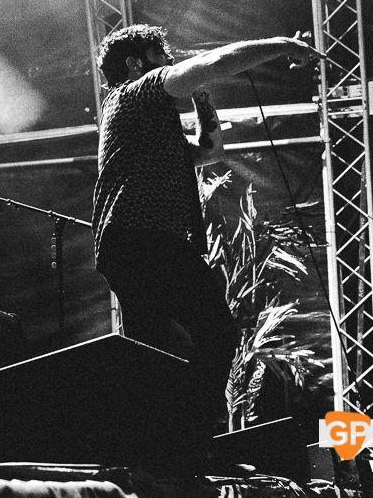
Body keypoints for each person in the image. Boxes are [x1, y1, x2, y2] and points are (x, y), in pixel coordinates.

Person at [91, 24, 320, 438]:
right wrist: (281, 43)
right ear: (134, 63)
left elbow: (211, 153)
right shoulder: (137, 91)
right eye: (161, 54)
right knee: (215, 333)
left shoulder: (146, 121)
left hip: (135, 241)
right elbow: (216, 61)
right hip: (144, 237)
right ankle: (192, 433)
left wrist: (202, 101)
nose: (171, 61)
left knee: (158, 346)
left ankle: (161, 441)